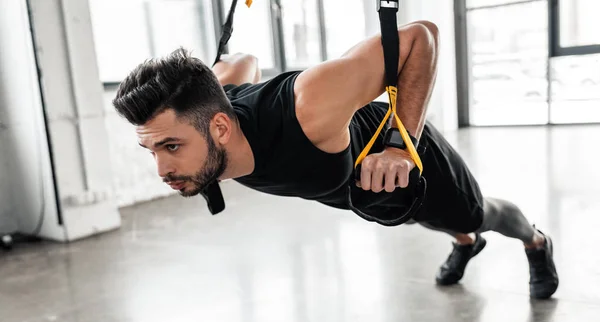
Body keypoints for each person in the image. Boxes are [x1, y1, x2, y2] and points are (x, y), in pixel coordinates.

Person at [112, 21, 558, 299]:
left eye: (171, 147)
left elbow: (421, 37)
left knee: (477, 213)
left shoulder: (311, 103)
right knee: (408, 214)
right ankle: (464, 243)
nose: (162, 170)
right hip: (363, 192)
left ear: (221, 129)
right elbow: (243, 62)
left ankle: (534, 242)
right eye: (151, 149)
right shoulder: (217, 106)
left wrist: (399, 145)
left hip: (402, 159)